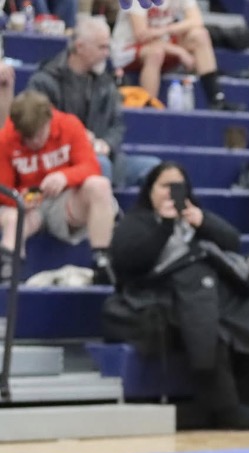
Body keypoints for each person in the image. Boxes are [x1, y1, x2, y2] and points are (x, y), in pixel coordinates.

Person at [107, 162, 249, 430]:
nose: (171, 193)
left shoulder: (196, 217)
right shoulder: (136, 221)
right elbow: (129, 262)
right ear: (150, 190)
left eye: (178, 187)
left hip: (206, 290)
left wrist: (204, 222)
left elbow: (232, 241)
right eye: (165, 186)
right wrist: (164, 226)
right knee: (210, 327)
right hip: (159, 295)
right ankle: (226, 408)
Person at [26, 17, 160, 190]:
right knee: (100, 164)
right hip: (63, 161)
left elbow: (118, 125)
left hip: (106, 155)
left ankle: (140, 217)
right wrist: (80, 139)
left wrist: (107, 144)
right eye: (101, 47)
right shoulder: (45, 80)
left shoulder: (106, 82)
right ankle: (107, 214)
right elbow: (36, 124)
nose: (107, 53)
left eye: (108, 47)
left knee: (156, 170)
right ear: (80, 47)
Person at [0, 90, 116, 284]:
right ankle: (8, 270)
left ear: (49, 120)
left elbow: (91, 166)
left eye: (38, 134)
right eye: (27, 138)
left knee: (99, 185)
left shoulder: (69, 125)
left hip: (64, 201)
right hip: (28, 207)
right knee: (14, 219)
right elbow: (4, 188)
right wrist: (22, 198)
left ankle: (102, 260)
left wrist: (65, 176)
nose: (34, 142)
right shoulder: (6, 138)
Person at [110, 0, 235, 110]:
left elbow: (197, 21)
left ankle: (216, 98)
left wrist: (164, 30)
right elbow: (141, 35)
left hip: (162, 43)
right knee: (155, 53)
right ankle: (148, 105)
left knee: (200, 35)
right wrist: (179, 51)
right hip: (128, 48)